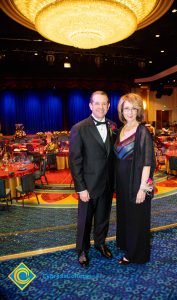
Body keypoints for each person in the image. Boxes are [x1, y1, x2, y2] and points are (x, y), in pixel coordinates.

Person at [69, 91, 116, 267]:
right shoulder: (79, 128)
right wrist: (81, 188)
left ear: (108, 106)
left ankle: (100, 243)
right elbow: (75, 161)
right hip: (87, 187)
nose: (101, 107)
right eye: (97, 103)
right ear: (90, 106)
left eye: (104, 103)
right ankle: (82, 250)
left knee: (103, 218)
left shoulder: (113, 126)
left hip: (107, 184)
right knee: (85, 221)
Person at [114, 93, 156, 265]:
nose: (130, 112)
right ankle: (127, 244)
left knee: (137, 219)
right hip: (122, 183)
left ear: (138, 110)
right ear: (121, 110)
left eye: (133, 108)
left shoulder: (143, 131)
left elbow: (147, 162)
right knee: (126, 216)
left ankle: (135, 254)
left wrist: (142, 189)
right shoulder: (121, 129)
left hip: (136, 183)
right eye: (126, 108)